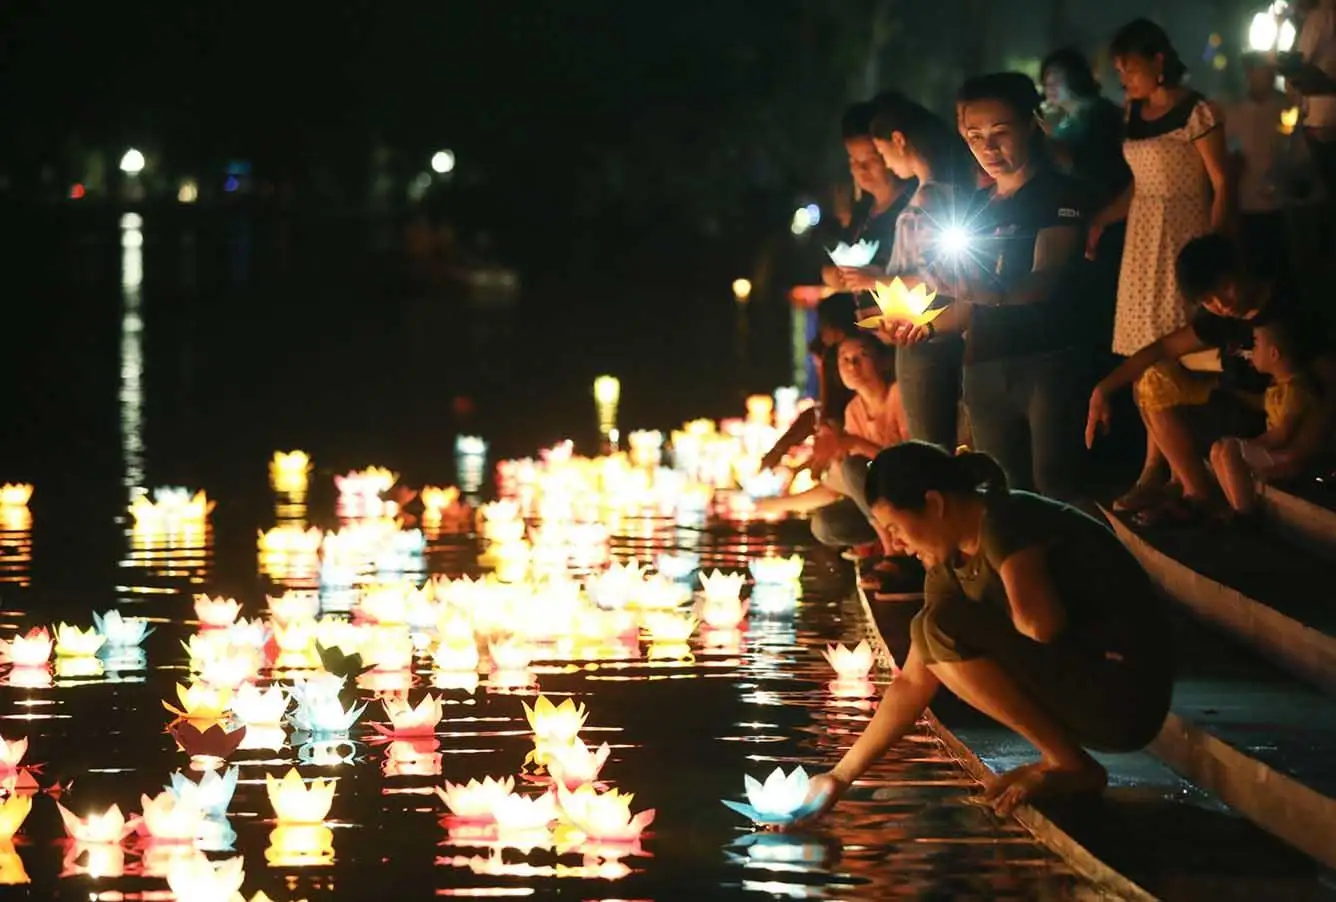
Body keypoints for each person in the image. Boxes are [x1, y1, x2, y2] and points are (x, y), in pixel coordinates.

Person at [791, 443, 1173, 823]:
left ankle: (1068, 763)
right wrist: (840, 777)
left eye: (895, 528)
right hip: (1086, 694)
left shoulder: (1005, 520)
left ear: (935, 504)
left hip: (1126, 695)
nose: (898, 546)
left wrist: (1007, 578)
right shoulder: (950, 563)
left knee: (940, 624)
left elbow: (1041, 625)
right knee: (928, 627)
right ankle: (1061, 758)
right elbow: (911, 682)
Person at [1086, 233, 1336, 524]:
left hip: (1272, 421)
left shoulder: (1290, 308)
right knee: (1154, 378)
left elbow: (1328, 382)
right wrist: (1102, 390)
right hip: (1233, 408)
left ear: (1240, 270)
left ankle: (1209, 502)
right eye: (1208, 301)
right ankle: (1195, 492)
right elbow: (1163, 347)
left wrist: (1308, 443)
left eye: (1225, 288)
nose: (1222, 304)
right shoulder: (1221, 318)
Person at [1087, 19, 1232, 514]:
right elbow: (1139, 186)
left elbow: (1222, 182)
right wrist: (1103, 220)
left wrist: (1216, 249)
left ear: (1158, 61)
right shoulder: (1132, 112)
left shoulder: (1198, 111)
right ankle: (1157, 470)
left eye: (1129, 66)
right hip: (1142, 241)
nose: (1122, 77)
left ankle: (1175, 472)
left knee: (1169, 349)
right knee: (1143, 350)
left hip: (1183, 234)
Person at [931, 72, 1091, 501]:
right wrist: (925, 324)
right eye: (974, 135)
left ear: (1031, 124)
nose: (988, 147)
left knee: (1056, 485)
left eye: (1000, 133)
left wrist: (989, 293)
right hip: (983, 362)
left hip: (1047, 358)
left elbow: (1045, 277)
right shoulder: (977, 207)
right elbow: (970, 300)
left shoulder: (1060, 194)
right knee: (1002, 493)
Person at [842, 92, 977, 450]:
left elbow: (941, 276)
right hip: (923, 331)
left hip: (928, 337)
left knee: (930, 447)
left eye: (882, 153)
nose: (886, 164)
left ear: (899, 140)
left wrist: (877, 280)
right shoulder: (938, 191)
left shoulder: (933, 197)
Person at [756, 335, 912, 599]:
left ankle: (895, 555)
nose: (852, 365)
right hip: (879, 504)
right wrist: (774, 504)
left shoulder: (899, 396)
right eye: (844, 360)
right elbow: (834, 487)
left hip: (908, 492)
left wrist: (855, 442)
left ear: (883, 361)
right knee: (825, 525)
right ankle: (884, 542)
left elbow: (910, 460)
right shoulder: (854, 411)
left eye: (861, 356)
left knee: (853, 466)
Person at [1211, 319, 1326, 521]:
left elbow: (1283, 433)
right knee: (1217, 448)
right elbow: (1265, 406)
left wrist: (1249, 445)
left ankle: (1245, 513)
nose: (1251, 350)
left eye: (1255, 344)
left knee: (1229, 449)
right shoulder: (1281, 386)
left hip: (1288, 458)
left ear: (1274, 354)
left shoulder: (1296, 390)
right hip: (1278, 453)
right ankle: (1237, 506)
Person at [822, 102, 918, 320]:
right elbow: (836, 262)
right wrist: (836, 276)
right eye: (853, 160)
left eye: (870, 159)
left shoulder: (912, 209)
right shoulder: (863, 210)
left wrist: (876, 277)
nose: (860, 169)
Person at [1228, 53, 1316, 283]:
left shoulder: (1286, 108)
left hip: (1280, 203)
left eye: (1269, 70)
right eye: (1259, 69)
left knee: (1282, 270)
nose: (1266, 75)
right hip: (1245, 204)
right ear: (1248, 72)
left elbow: (1299, 153)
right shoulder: (1234, 112)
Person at [761, 295, 858, 471]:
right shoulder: (830, 358)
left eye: (822, 330)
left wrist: (782, 450)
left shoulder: (839, 365)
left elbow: (827, 417)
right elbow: (822, 413)